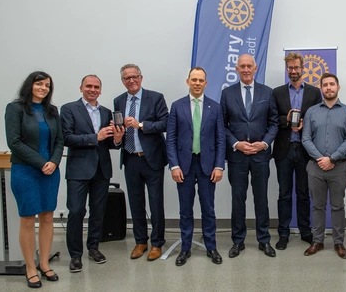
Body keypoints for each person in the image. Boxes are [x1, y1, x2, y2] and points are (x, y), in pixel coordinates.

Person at [5, 71, 64, 288]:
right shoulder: (15, 108)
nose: (43, 88)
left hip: (51, 171)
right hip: (26, 171)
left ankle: (44, 264)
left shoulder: (52, 111)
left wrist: (55, 162)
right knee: (28, 219)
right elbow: (14, 142)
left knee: (47, 217)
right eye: (39, 84)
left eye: (47, 85)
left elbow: (59, 140)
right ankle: (30, 267)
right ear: (30, 85)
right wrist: (41, 162)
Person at [61, 75, 124, 273]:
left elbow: (110, 144)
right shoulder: (69, 109)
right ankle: (75, 255)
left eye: (96, 87)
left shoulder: (106, 112)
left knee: (98, 212)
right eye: (89, 86)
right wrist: (94, 137)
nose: (92, 89)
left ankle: (94, 248)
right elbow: (67, 138)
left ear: (100, 90)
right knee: (77, 211)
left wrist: (118, 139)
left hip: (102, 170)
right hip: (78, 170)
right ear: (81, 88)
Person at [220, 54, 279, 258]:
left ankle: (264, 240)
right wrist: (236, 143)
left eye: (249, 66)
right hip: (237, 156)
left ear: (255, 68)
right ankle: (238, 241)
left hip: (260, 155)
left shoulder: (267, 92)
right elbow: (223, 125)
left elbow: (274, 123)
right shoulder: (227, 94)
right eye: (242, 66)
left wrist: (264, 143)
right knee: (238, 199)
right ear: (236, 69)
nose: (246, 69)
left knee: (261, 198)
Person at [166, 67, 225, 266]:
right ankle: (185, 248)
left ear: (206, 83)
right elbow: (171, 139)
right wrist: (174, 166)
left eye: (201, 80)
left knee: (208, 209)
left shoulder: (215, 107)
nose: (197, 83)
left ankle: (211, 247)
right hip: (184, 165)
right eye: (194, 80)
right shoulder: (177, 106)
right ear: (188, 81)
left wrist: (219, 166)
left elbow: (220, 140)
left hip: (208, 165)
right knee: (185, 209)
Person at [114, 64, 169, 261]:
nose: (131, 80)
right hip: (130, 158)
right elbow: (118, 130)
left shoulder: (155, 97)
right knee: (136, 202)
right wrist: (118, 137)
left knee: (155, 203)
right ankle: (140, 241)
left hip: (152, 158)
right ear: (123, 81)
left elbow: (165, 123)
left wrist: (140, 125)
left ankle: (157, 243)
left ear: (141, 78)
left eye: (134, 77)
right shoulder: (118, 101)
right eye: (127, 78)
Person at [302, 73, 346, 259]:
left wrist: (332, 158)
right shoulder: (311, 112)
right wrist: (321, 159)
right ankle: (317, 240)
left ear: (338, 87)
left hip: (339, 168)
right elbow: (306, 139)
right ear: (321, 88)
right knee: (317, 206)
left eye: (332, 84)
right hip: (316, 167)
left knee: (337, 206)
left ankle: (338, 242)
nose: (328, 88)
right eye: (325, 85)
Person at [272, 52, 322, 250]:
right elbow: (271, 118)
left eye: (296, 68)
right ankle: (283, 233)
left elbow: (318, 118)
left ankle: (305, 231)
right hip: (283, 149)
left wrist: (304, 123)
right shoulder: (276, 93)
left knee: (303, 193)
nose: (293, 71)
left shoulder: (313, 92)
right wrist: (286, 119)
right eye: (290, 68)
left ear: (303, 69)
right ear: (287, 70)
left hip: (305, 150)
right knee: (284, 193)